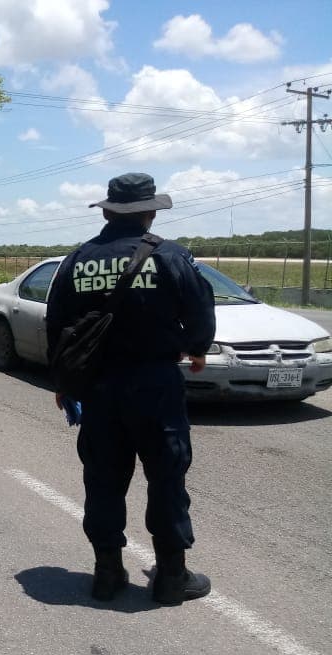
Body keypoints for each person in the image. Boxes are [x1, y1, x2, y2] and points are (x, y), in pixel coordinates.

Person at [45, 172, 216, 606]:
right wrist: (197, 348)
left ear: (106, 213)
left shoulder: (77, 260)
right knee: (167, 478)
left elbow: (57, 323)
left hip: (98, 387)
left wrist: (64, 383)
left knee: (103, 480)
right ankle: (171, 579)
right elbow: (200, 308)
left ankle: (107, 574)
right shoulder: (172, 256)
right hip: (156, 385)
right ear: (150, 213)